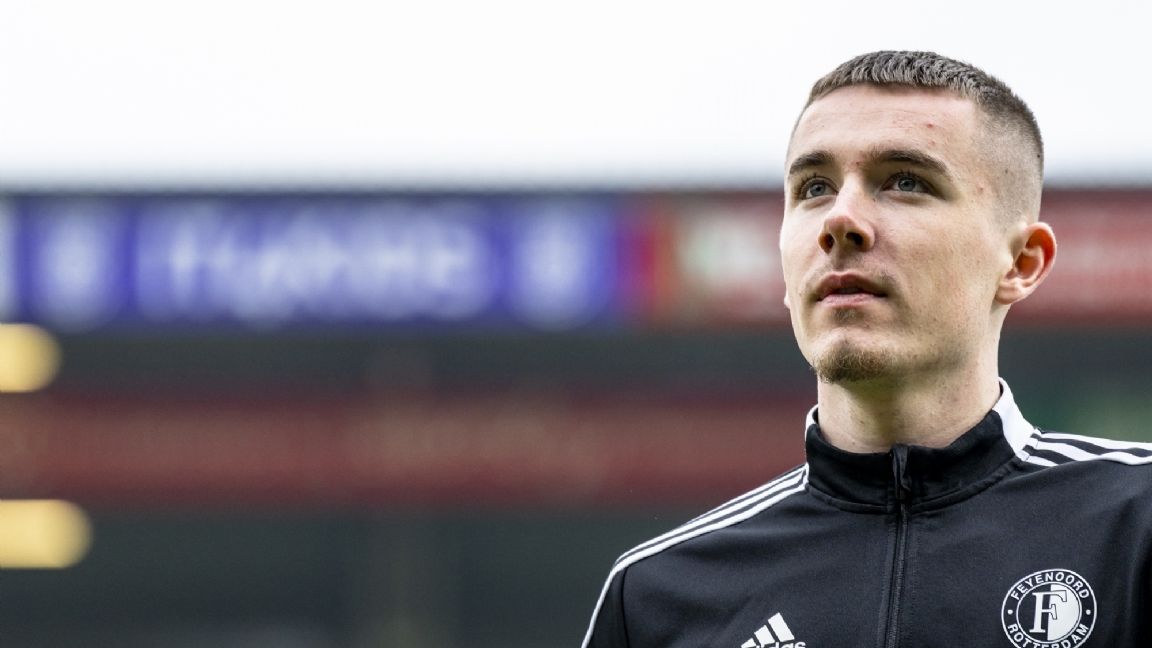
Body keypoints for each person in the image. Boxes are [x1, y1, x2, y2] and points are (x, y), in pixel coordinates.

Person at [582, 50, 1152, 648]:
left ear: (1020, 262)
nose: (840, 220)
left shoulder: (1135, 525)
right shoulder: (655, 598)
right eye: (814, 188)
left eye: (906, 182)